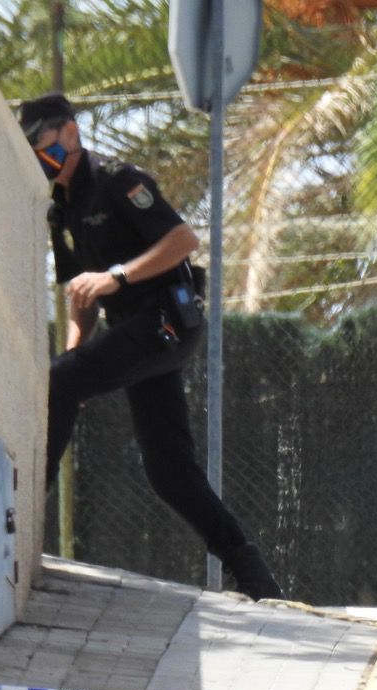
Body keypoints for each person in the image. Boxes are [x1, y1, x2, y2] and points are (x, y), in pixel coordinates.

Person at [19, 93, 282, 600]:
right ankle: (253, 571)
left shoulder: (119, 180)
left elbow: (183, 240)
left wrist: (117, 277)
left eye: (41, 142)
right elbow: (82, 296)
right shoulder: (61, 211)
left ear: (69, 133)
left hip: (167, 320)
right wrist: (77, 356)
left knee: (60, 379)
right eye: (28, 146)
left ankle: (28, 506)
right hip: (133, 334)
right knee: (168, 470)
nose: (37, 154)